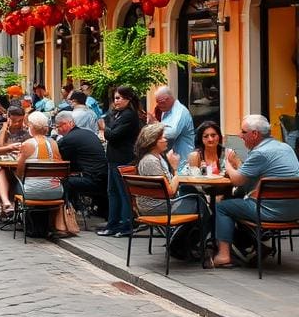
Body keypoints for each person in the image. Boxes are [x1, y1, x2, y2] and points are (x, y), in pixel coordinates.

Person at [212, 115, 299, 268]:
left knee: (222, 207)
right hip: (294, 212)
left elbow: (238, 180)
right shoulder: (286, 148)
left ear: (255, 134)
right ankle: (254, 247)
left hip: (270, 212)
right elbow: (249, 179)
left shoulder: (260, 153)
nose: (240, 135)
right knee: (239, 202)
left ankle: (223, 255)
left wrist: (228, 163)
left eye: (243, 132)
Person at [131, 122, 204, 223]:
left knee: (191, 191)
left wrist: (174, 168)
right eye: (162, 138)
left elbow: (168, 186)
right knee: (201, 203)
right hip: (156, 208)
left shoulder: (158, 157)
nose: (166, 140)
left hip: (160, 204)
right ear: (152, 141)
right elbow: (169, 192)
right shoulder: (150, 161)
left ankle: (187, 237)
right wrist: (177, 174)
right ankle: (194, 237)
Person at [100, 86, 145, 237]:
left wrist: (104, 129)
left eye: (119, 98)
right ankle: (113, 223)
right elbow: (111, 130)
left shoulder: (129, 115)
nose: (116, 101)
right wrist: (109, 129)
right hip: (113, 158)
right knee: (112, 192)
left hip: (123, 159)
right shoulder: (118, 114)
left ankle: (126, 224)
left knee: (123, 193)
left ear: (128, 99)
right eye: (115, 98)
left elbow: (113, 135)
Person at [55, 110, 109, 220]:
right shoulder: (88, 133)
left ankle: (63, 216)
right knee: (68, 179)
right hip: (104, 178)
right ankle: (77, 208)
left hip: (93, 181)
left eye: (58, 127)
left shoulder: (69, 139)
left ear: (67, 124)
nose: (58, 131)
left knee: (59, 183)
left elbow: (58, 158)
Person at [15, 111, 65, 202]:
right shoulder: (54, 143)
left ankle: (8, 207)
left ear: (31, 126)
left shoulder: (28, 144)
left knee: (11, 179)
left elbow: (19, 172)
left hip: (30, 191)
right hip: (56, 190)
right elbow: (59, 166)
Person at [152, 86, 195, 168]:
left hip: (183, 162)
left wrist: (154, 126)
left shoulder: (180, 111)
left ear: (169, 98)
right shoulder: (166, 110)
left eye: (161, 102)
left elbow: (171, 133)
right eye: (157, 102)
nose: (159, 105)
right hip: (171, 161)